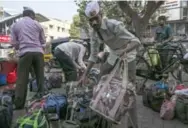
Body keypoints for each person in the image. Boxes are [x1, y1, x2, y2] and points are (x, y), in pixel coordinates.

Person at [78, 2, 141, 128]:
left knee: (128, 91)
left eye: (96, 18)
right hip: (113, 55)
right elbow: (93, 56)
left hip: (128, 56)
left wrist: (124, 51)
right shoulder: (94, 33)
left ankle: (133, 125)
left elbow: (136, 41)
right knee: (101, 78)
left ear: (101, 15)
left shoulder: (114, 25)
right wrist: (85, 74)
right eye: (91, 20)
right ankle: (105, 113)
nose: (94, 22)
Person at [11, 7, 46, 109]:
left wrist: (21, 44)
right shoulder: (38, 24)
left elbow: (13, 43)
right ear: (31, 15)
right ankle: (40, 101)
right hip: (38, 53)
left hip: (25, 53)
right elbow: (43, 41)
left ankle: (19, 104)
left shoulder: (15, 25)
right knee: (40, 78)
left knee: (22, 79)